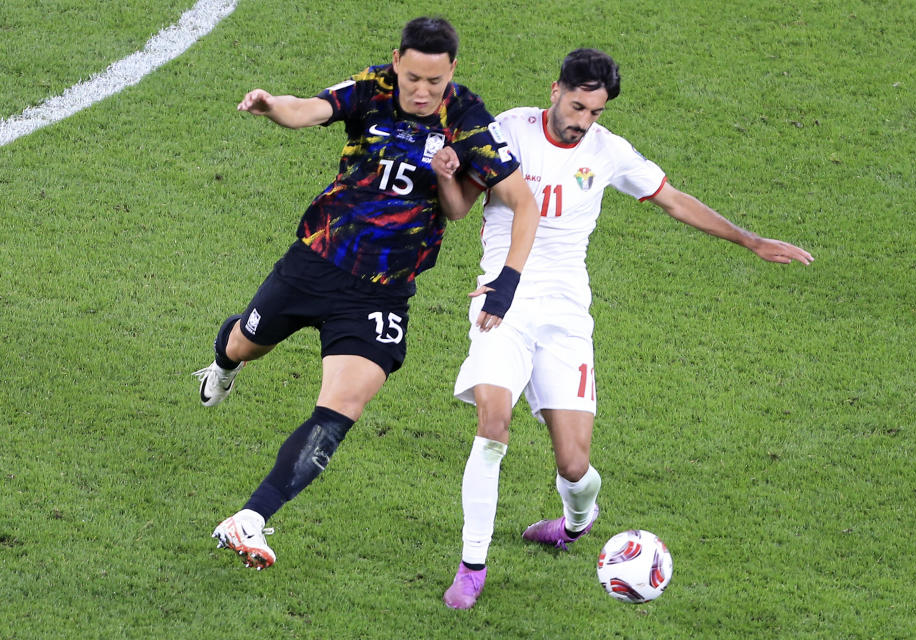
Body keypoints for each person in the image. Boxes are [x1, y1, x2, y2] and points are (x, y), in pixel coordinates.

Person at [432, 48, 814, 608]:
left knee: (575, 464)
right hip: (501, 301)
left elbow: (674, 201)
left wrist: (751, 240)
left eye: (595, 113)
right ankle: (472, 567)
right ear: (557, 87)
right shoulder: (508, 130)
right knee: (493, 427)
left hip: (565, 315)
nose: (582, 121)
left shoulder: (607, 153)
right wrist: (446, 178)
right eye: (578, 106)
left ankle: (575, 523)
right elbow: (460, 207)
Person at [193, 16, 539, 570]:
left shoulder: (469, 119)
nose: (422, 92)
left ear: (452, 69)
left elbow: (523, 201)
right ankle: (222, 364)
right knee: (243, 343)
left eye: (435, 80)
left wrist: (508, 280)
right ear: (397, 61)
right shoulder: (372, 88)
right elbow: (310, 109)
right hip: (313, 263)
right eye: (412, 79)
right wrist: (270, 104)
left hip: (380, 294)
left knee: (342, 408)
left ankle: (250, 518)